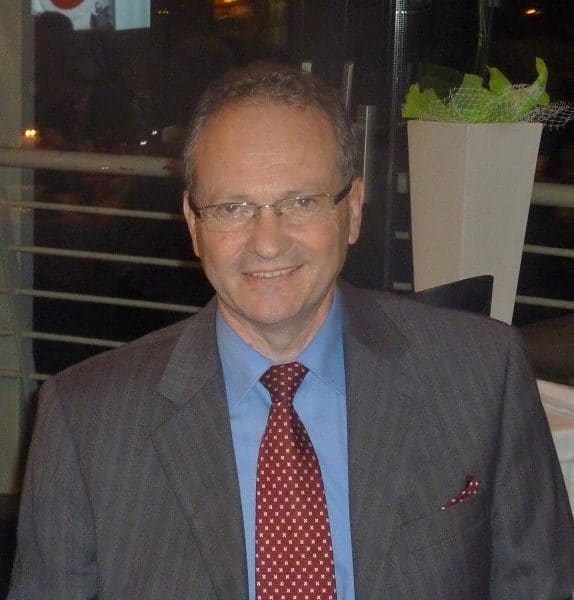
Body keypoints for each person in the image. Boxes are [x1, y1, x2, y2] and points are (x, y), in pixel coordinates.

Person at [8, 62, 574, 599]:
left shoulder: (481, 374)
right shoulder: (86, 422)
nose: (268, 242)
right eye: (233, 207)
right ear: (194, 224)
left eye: (301, 202)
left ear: (353, 209)